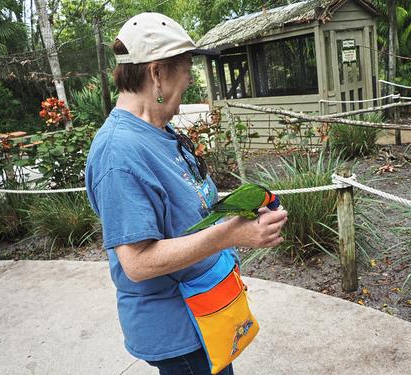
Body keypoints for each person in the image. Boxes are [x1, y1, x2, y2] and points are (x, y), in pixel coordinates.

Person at [85, 12, 288, 375]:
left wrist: (243, 212)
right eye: (187, 69)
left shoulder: (160, 130)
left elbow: (189, 211)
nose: (192, 78)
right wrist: (231, 234)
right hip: (180, 330)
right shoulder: (118, 152)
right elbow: (137, 263)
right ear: (157, 73)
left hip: (208, 308)